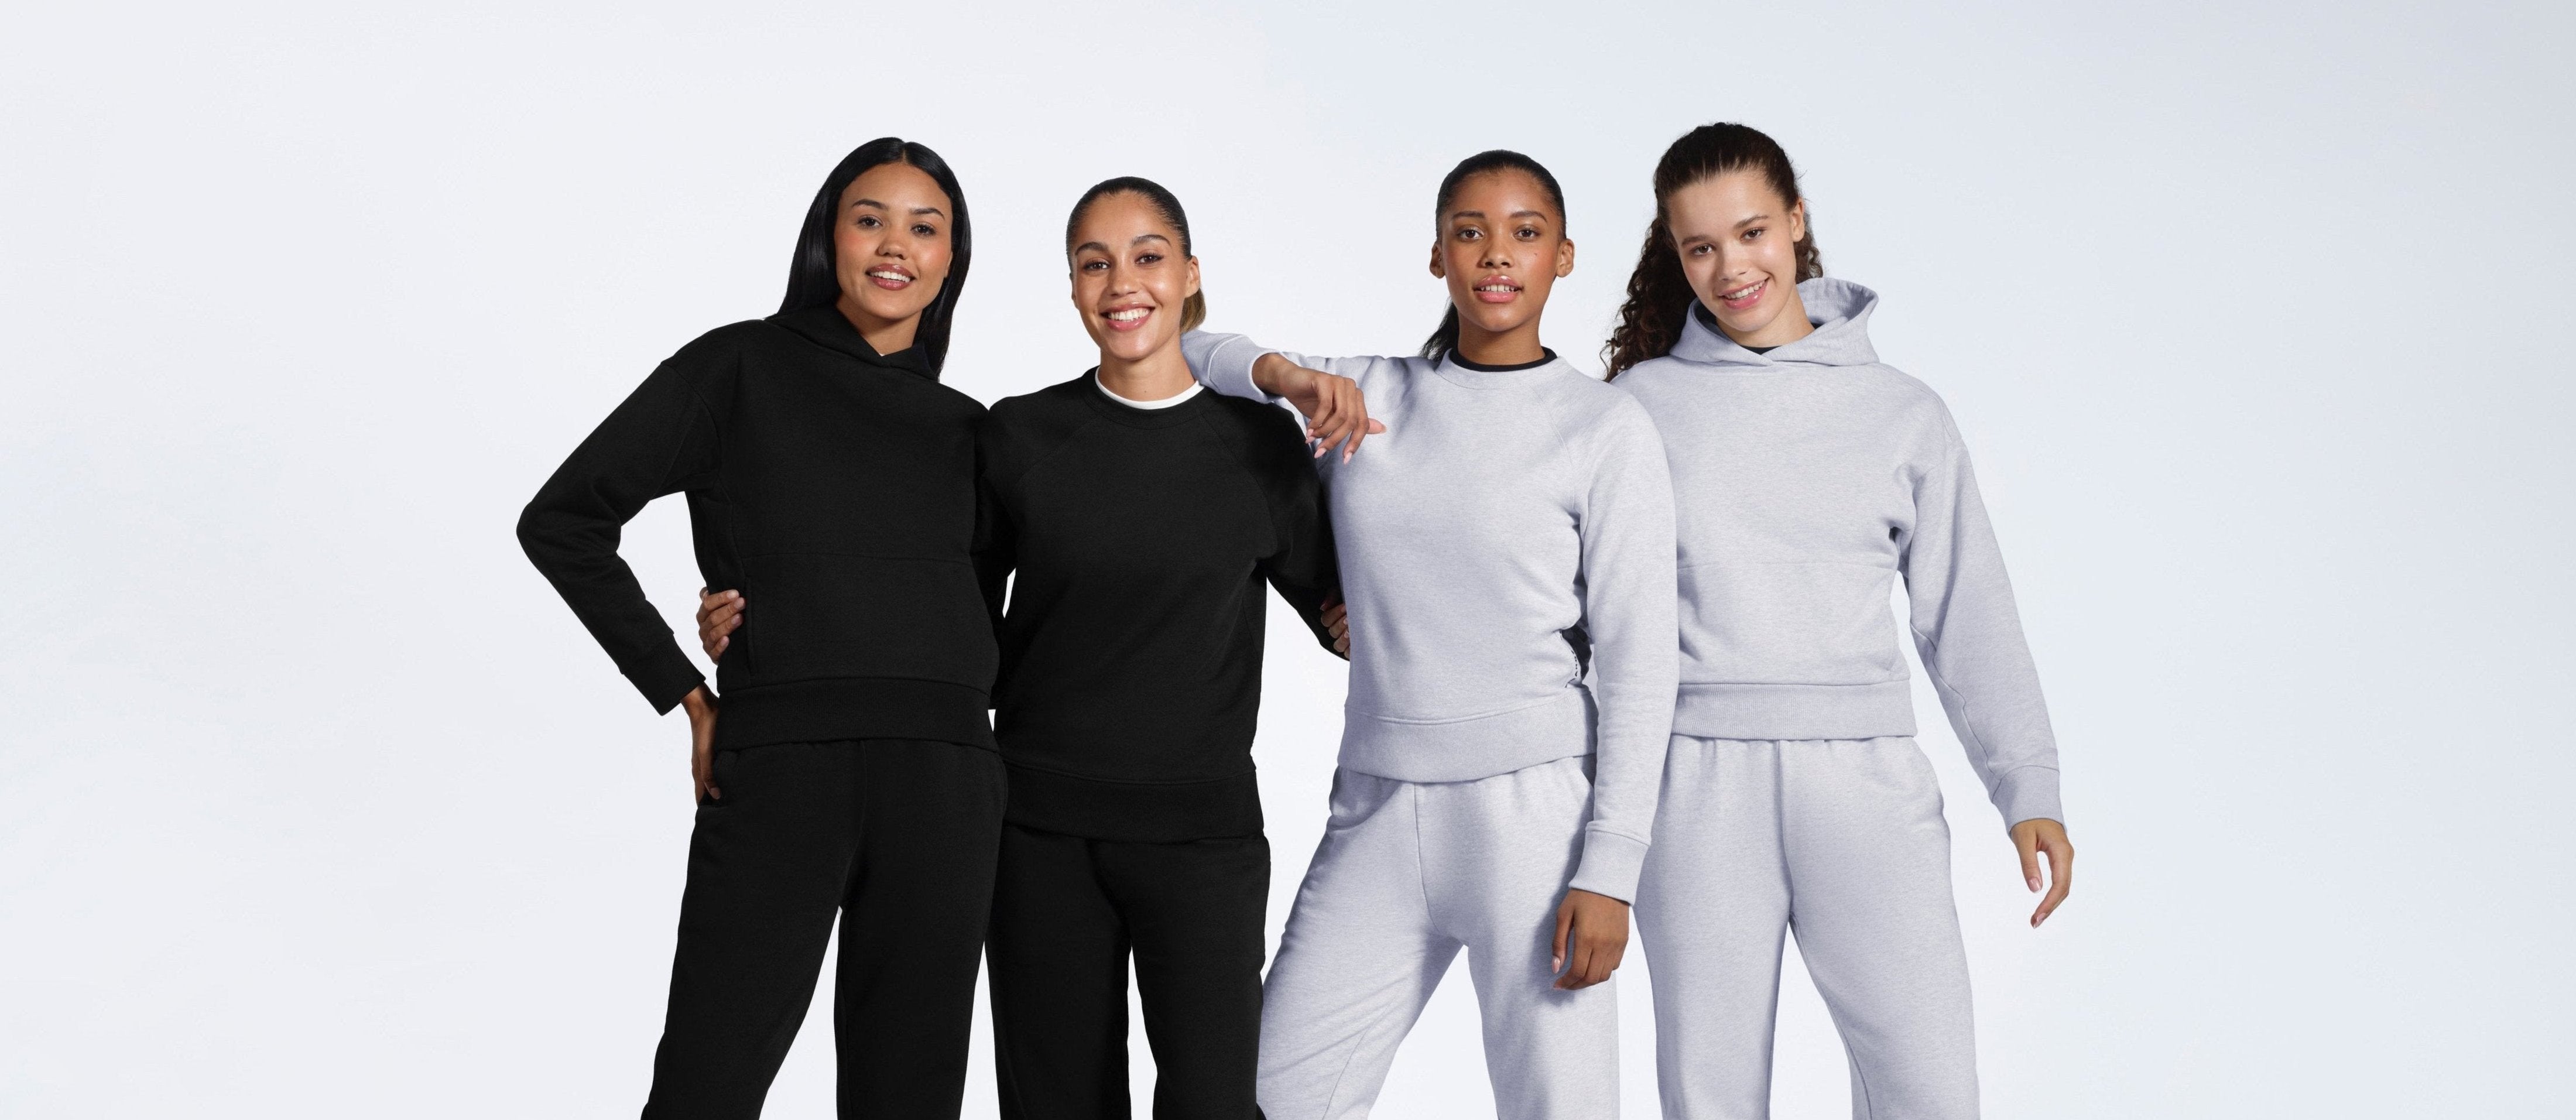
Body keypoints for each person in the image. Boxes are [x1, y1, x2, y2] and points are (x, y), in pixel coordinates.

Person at [701, 176, 1348, 1120]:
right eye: (1094, 263)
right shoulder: (1020, 436)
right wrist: (766, 611)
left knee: (1216, 1103)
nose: (1121, 283)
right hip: (1036, 837)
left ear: (1189, 274)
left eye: (1147, 256)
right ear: (1073, 286)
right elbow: (934, 598)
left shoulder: (1260, 446)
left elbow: (1340, 614)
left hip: (1203, 843)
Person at [1176, 150, 1678, 1120]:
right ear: (1438, 254)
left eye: (1526, 233)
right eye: (1470, 232)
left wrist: (1611, 869)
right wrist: (1285, 375)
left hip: (1534, 821)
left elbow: (1643, 661)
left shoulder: (1603, 429)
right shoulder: (1364, 396)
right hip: (1377, 801)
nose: (1497, 254)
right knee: (1266, 1096)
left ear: (1564, 256)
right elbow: (1190, 354)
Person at [516, 137, 1005, 1118]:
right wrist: (685, 691)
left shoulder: (974, 427)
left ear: (952, 258)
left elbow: (995, 610)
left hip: (947, 786)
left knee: (910, 1096)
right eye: (869, 219)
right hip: (783, 768)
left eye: (925, 227)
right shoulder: (737, 367)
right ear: (829, 236)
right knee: (708, 1081)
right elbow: (563, 520)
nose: (895, 246)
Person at [1604, 122, 2075, 1120]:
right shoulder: (1639, 409)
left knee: (1930, 1090)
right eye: (1701, 248)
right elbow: (1565, 592)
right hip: (1694, 787)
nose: (1733, 268)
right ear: (1676, 255)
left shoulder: (1901, 412)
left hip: (1865, 781)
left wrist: (2025, 780)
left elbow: (1967, 609)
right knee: (1710, 1097)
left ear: (1796, 221)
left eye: (1752, 233)